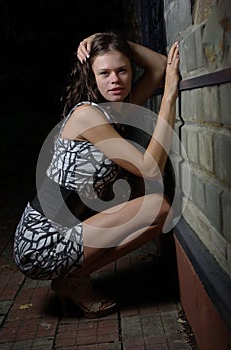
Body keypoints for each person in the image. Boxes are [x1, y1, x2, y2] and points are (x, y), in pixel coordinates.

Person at [13, 32, 180, 318]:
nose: (114, 80)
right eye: (104, 73)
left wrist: (103, 37)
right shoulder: (87, 116)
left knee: (158, 212)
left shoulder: (112, 110)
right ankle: (72, 281)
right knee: (158, 207)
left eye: (122, 70)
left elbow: (160, 66)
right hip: (40, 239)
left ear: (130, 70)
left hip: (63, 229)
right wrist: (169, 96)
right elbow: (150, 168)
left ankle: (72, 280)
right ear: (91, 77)